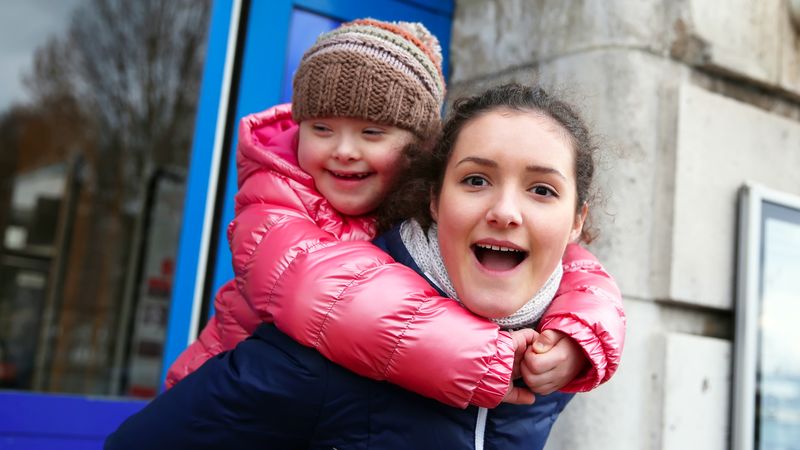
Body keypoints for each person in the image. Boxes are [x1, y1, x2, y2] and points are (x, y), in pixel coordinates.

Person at [106, 82, 624, 450]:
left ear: (576, 222)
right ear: (434, 201)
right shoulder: (329, 350)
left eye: (541, 190)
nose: (505, 212)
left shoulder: (554, 365)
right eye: (475, 180)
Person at [165, 18, 624, 410]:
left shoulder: (423, 217)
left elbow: (576, 269)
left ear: (420, 151)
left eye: (371, 131)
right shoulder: (274, 201)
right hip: (214, 406)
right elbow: (336, 299)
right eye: (321, 128)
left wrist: (579, 336)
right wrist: (483, 358)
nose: (344, 151)